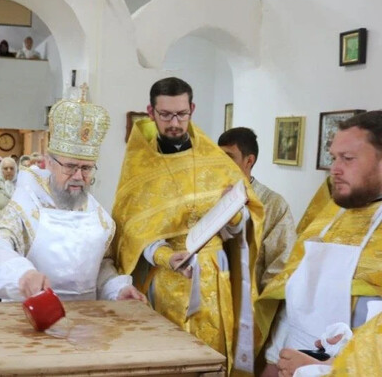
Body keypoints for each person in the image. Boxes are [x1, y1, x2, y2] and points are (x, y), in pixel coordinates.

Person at [111, 77, 264, 374]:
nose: (174, 123)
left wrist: (233, 213)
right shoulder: (139, 164)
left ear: (192, 108)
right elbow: (132, 232)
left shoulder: (215, 159)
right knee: (166, 361)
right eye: (165, 115)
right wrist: (166, 256)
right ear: (151, 112)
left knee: (213, 355)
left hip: (214, 282)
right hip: (166, 282)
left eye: (181, 114)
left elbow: (244, 224)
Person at [0, 90, 145, 302]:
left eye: (87, 168)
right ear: (49, 163)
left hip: (85, 324)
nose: (79, 176)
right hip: (31, 319)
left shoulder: (98, 215)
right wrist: (22, 274)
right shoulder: (27, 207)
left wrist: (116, 289)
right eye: (71, 166)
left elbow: (100, 266)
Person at [258, 111, 382, 376]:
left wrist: (329, 368)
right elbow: (294, 293)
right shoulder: (330, 212)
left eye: (348, 159)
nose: (334, 169)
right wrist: (272, 360)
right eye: (334, 157)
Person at [218, 127, 297, 289]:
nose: (221, 165)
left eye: (229, 158)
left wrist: (261, 308)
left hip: (249, 299)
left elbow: (281, 264)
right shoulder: (209, 197)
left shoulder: (273, 204)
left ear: (249, 161)